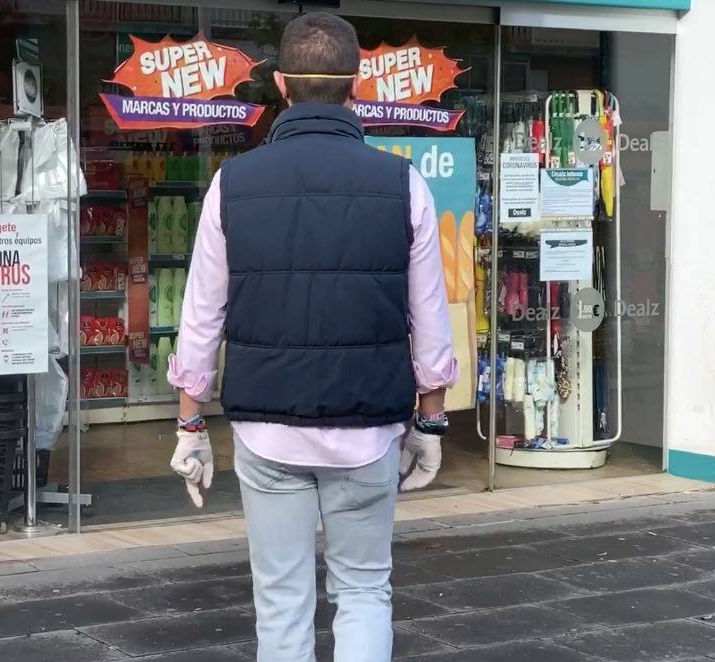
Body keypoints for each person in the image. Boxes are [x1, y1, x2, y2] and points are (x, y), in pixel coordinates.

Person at [167, 12, 456, 662]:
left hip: (266, 431)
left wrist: (190, 425)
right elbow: (430, 320)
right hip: (368, 430)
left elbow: (201, 316)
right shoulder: (402, 183)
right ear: (356, 85)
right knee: (363, 592)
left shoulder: (231, 185)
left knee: (281, 599)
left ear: (278, 84)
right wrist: (430, 421)